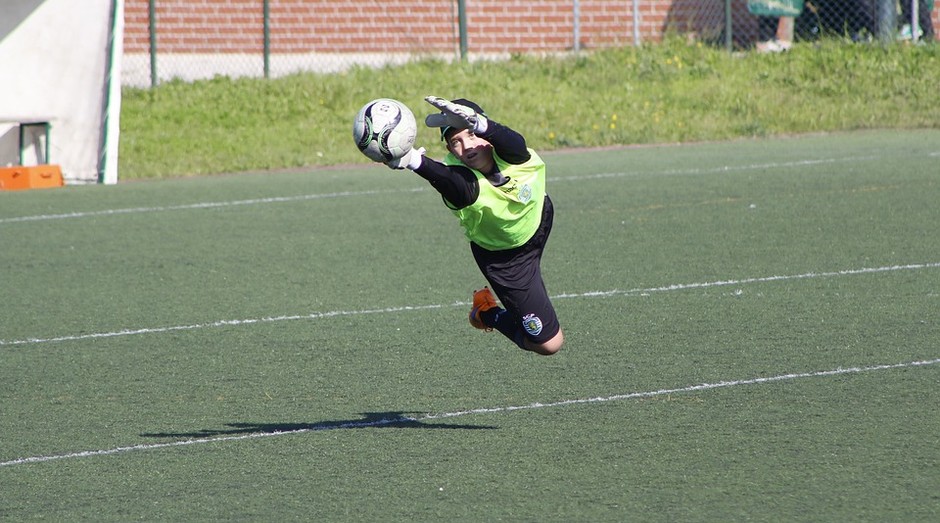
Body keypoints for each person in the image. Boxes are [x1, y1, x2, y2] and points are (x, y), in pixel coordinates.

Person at [385, 96, 564, 356]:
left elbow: (514, 142)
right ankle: (486, 313)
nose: (466, 146)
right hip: (507, 259)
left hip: (539, 219)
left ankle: (527, 300)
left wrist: (482, 124)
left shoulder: (511, 151)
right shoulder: (461, 179)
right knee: (549, 344)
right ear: (448, 148)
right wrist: (414, 161)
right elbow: (449, 181)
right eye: (455, 142)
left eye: (471, 134)